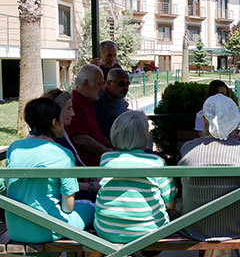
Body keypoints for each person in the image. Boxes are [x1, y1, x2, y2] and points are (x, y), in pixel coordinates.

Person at [5, 98, 94, 243]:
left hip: (15, 229)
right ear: (54, 122)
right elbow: (68, 207)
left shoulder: (15, 148)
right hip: (47, 229)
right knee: (91, 207)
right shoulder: (62, 154)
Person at [179, 94, 240, 241]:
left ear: (204, 120)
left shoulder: (187, 148)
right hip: (238, 227)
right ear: (234, 121)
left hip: (193, 227)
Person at [94, 111, 176, 243]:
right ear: (144, 136)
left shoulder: (106, 159)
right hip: (150, 231)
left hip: (107, 230)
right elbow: (169, 198)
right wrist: (170, 208)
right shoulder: (156, 162)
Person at [42, 89, 99, 199]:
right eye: (68, 108)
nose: (73, 113)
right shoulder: (53, 142)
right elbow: (59, 184)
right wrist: (91, 186)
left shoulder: (62, 134)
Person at [66, 64, 111, 166]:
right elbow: (80, 139)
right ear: (86, 83)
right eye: (99, 84)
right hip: (89, 168)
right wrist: (106, 151)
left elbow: (93, 134)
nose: (103, 88)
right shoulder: (75, 104)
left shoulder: (87, 102)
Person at [94, 68, 130, 141]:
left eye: (127, 84)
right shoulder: (98, 102)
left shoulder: (120, 98)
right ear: (109, 83)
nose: (125, 88)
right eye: (121, 83)